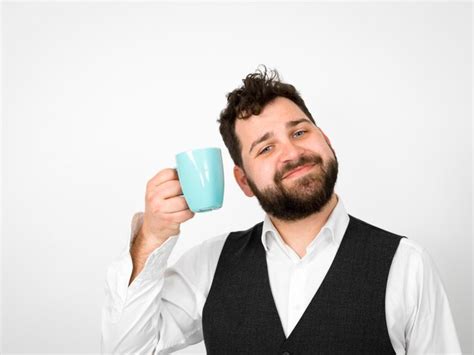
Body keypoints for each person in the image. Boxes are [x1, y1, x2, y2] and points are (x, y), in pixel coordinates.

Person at [101, 66, 462, 354]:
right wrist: (151, 238)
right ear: (243, 181)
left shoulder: (407, 264)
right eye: (265, 148)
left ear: (327, 142)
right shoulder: (209, 266)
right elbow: (128, 350)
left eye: (300, 133)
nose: (291, 153)